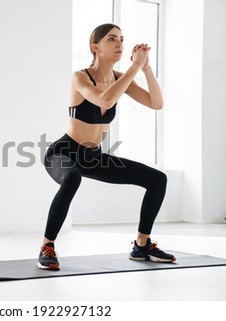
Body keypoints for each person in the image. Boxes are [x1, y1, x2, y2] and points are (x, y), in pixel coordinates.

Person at [38, 23, 175, 271]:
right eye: (112, 39)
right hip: (64, 152)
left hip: (93, 156)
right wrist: (134, 67)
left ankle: (142, 245)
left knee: (157, 179)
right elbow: (105, 99)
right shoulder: (80, 77)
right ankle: (47, 246)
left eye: (121, 39)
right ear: (95, 47)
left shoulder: (119, 78)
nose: (120, 44)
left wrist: (146, 68)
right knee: (72, 178)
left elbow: (156, 103)